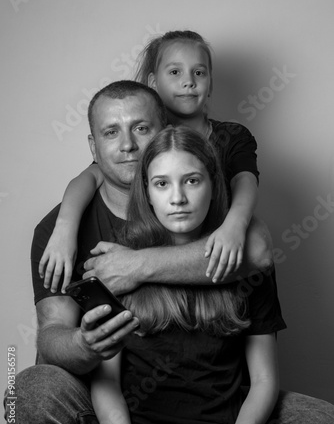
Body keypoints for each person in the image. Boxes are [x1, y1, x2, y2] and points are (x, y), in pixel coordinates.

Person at [7, 81, 269, 424]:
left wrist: (135, 266)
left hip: (216, 399)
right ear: (93, 147)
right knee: (31, 388)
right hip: (102, 394)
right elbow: (51, 336)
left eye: (141, 129)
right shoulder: (58, 231)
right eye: (110, 132)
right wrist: (85, 344)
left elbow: (258, 251)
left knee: (318, 423)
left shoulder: (194, 204)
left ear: (164, 132)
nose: (127, 145)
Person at [90, 126, 334, 424]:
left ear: (213, 184)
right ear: (147, 192)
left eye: (192, 180)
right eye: (162, 184)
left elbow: (263, 379)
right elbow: (106, 383)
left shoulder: (247, 268)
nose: (178, 198)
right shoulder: (120, 266)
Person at [38, 30, 272, 295]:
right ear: (153, 82)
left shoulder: (231, 136)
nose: (188, 82)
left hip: (225, 244)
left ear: (211, 81)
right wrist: (65, 228)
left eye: (199, 72)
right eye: (175, 72)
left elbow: (245, 182)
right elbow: (91, 176)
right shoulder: (149, 138)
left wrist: (234, 226)